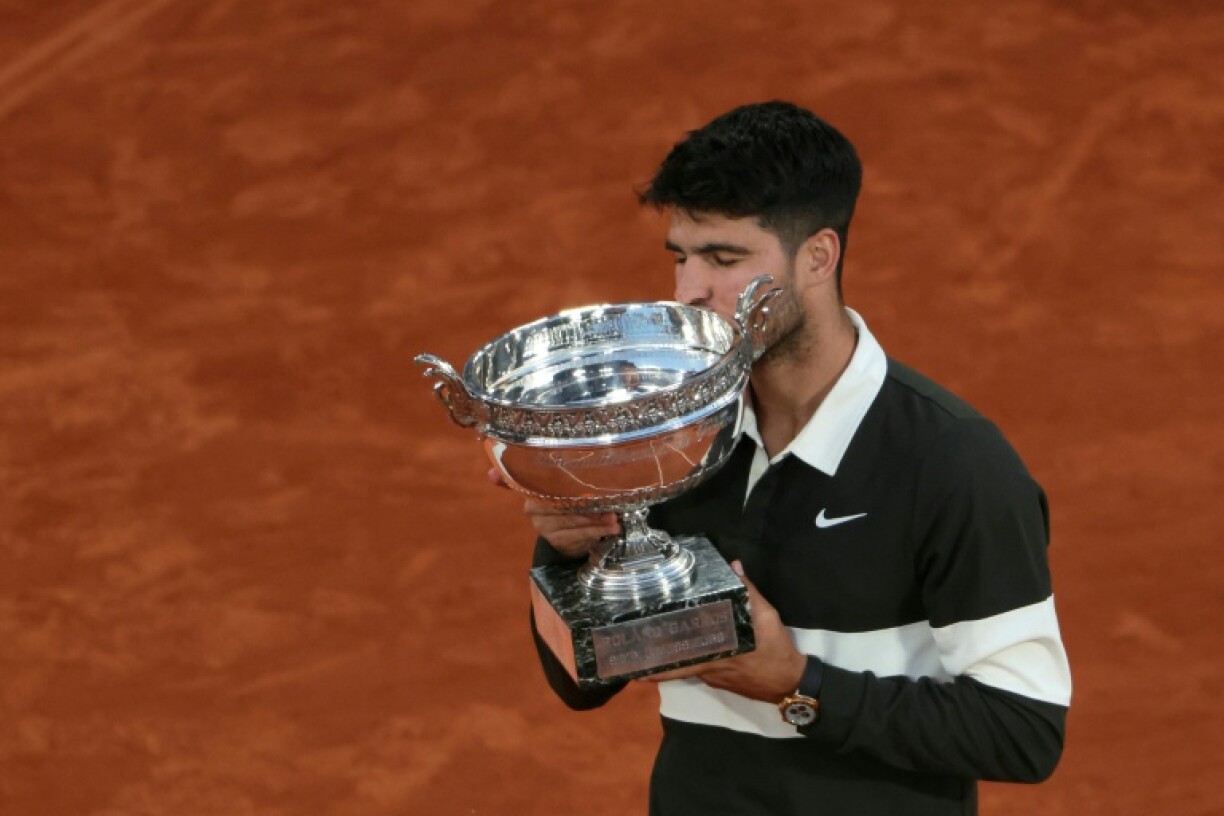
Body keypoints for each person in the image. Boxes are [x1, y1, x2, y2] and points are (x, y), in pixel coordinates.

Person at [494, 100, 1071, 815]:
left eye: (724, 259)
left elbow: (1023, 730)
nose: (689, 290)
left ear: (818, 257)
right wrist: (568, 548)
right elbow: (581, 684)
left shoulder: (951, 463)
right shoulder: (670, 440)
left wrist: (798, 685)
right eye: (681, 256)